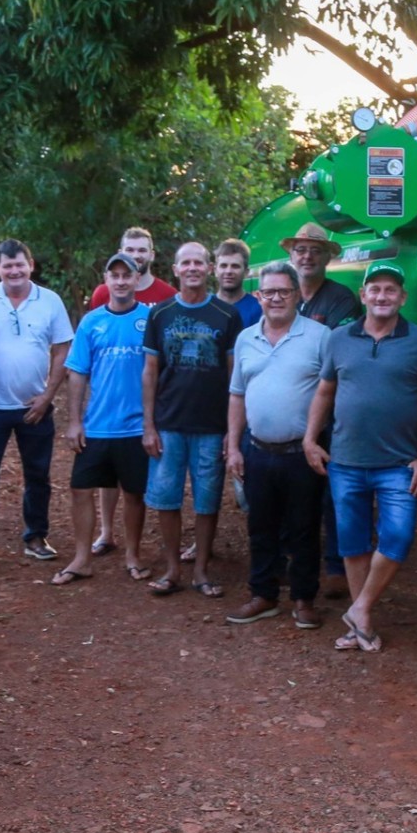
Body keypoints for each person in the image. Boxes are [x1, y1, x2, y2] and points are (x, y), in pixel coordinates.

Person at [303, 262, 417, 652]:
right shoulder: (339, 339)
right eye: (375, 289)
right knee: (353, 542)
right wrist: (310, 439)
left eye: (390, 290)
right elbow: (324, 391)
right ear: (363, 296)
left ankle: (360, 608)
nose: (382, 296)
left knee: (398, 536)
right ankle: (358, 622)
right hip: (344, 460)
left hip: (398, 463)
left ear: (403, 297)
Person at [224, 261, 329, 628]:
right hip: (258, 449)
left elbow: (331, 392)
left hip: (302, 453)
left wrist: (315, 438)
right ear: (258, 296)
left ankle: (303, 599)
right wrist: (234, 446)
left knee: (303, 528)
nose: (276, 299)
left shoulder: (319, 337)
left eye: (284, 291)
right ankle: (263, 594)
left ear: (297, 295)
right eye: (268, 292)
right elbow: (237, 395)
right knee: (261, 526)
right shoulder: (245, 338)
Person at [0, 238, 74, 566]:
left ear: (31, 265)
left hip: (34, 406)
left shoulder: (49, 301)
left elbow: (62, 350)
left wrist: (47, 397)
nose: (14, 271)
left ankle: (36, 536)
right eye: (7, 266)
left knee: (37, 474)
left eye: (19, 264)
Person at [142, 240, 241, 596]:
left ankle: (201, 570)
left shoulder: (227, 316)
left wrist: (233, 430)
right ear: (176, 269)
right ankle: (172, 569)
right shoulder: (160, 313)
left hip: (212, 426)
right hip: (169, 424)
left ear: (209, 268)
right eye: (186, 262)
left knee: (207, 499)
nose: (193, 268)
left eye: (200, 262)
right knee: (166, 498)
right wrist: (148, 425)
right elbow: (150, 371)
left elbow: (235, 379)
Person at [54, 253, 155, 585]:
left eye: (128, 275)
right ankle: (82, 558)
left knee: (134, 494)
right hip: (97, 426)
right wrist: (74, 421)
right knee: (80, 489)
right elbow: (78, 373)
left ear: (137, 279)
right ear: (107, 280)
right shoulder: (91, 322)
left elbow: (159, 372)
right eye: (115, 275)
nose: (122, 281)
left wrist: (154, 424)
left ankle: (133, 555)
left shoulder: (150, 319)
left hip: (136, 426)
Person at [284, 220, 362, 596]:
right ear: (290, 254)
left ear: (327, 258)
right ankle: (296, 558)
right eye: (301, 249)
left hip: (330, 409)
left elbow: (335, 351)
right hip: (289, 404)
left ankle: (335, 565)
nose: (307, 256)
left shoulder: (341, 299)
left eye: (315, 250)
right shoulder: (283, 293)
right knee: (293, 488)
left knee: (333, 490)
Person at [88, 226, 176, 557]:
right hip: (109, 401)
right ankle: (107, 532)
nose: (136, 255)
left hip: (153, 397)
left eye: (142, 250)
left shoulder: (167, 294)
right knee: (106, 477)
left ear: (152, 254)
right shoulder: (102, 293)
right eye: (130, 249)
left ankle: (139, 543)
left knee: (140, 477)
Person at [214, 238, 261, 328]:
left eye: (235, 266)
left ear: (246, 272)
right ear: (215, 271)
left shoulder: (259, 309)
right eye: (223, 266)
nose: (228, 271)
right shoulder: (206, 307)